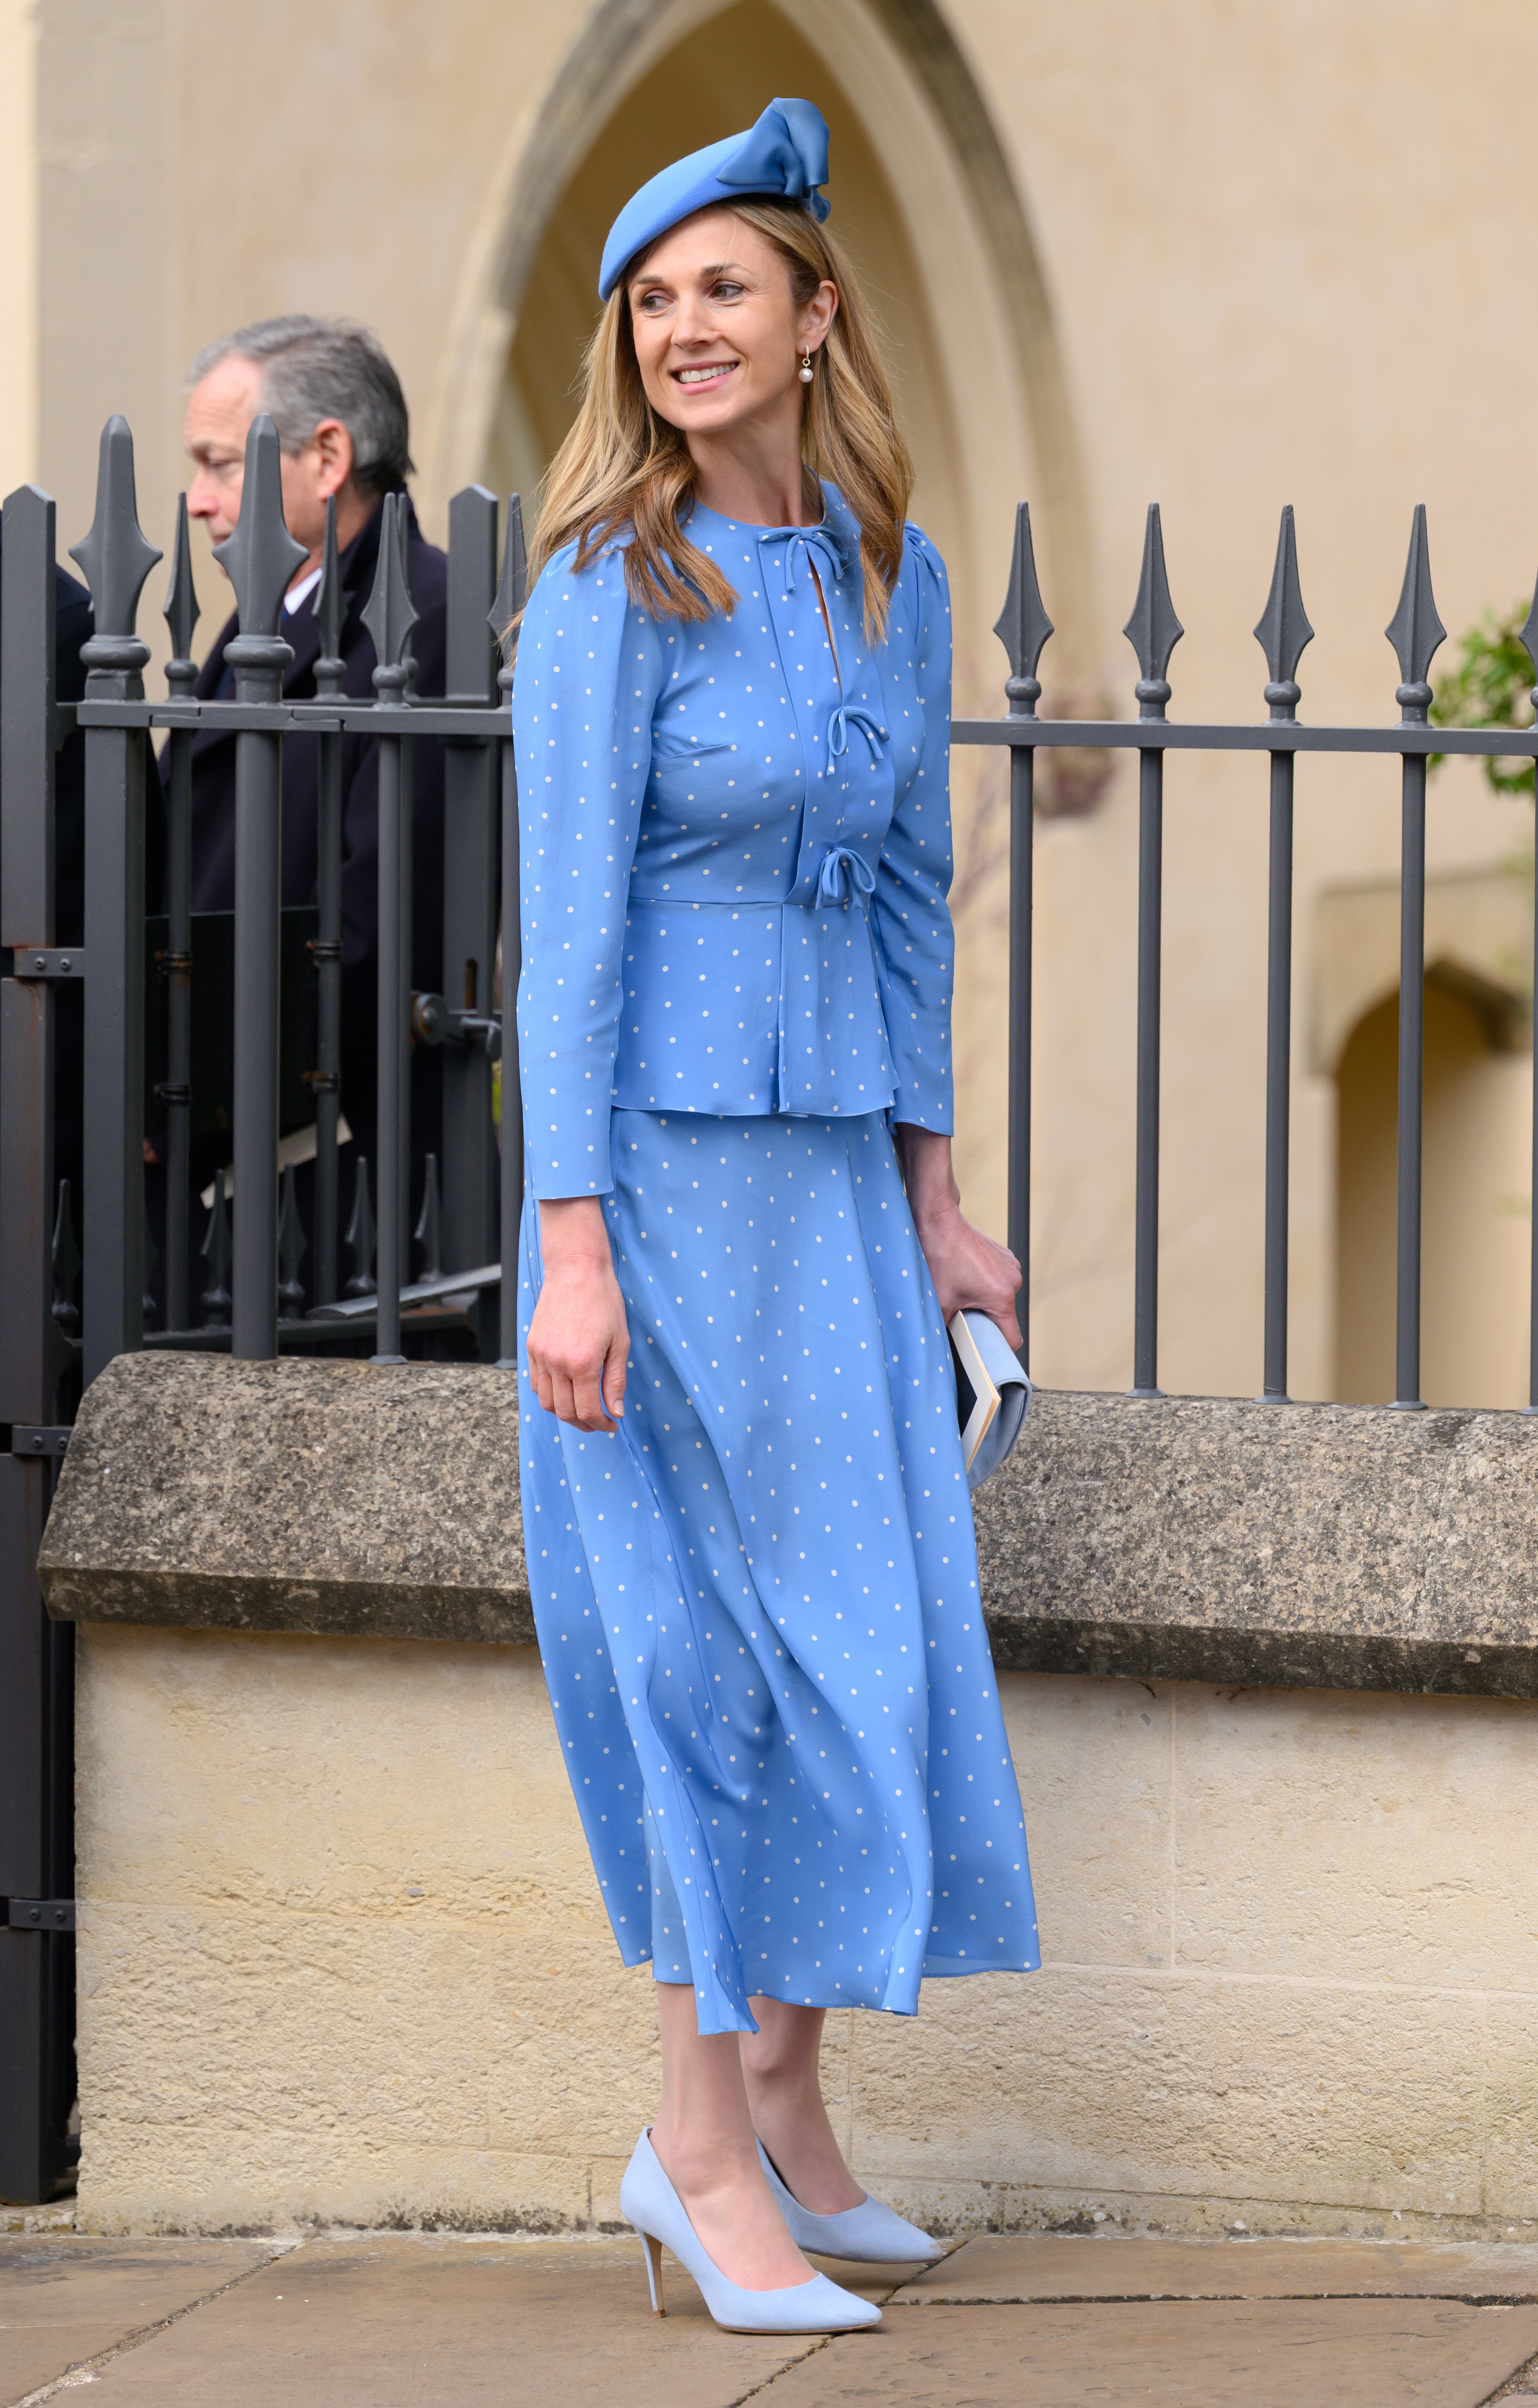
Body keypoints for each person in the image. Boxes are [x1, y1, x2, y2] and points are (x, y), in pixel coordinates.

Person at [513, 99, 1039, 2337]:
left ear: (819, 318)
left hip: (829, 1175)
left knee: (873, 1631)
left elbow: (914, 893)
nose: (684, 330)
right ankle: (695, 2147)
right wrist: (566, 1240)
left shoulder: (885, 575)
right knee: (699, 1651)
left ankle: (800, 2121)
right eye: (651, 302)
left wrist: (939, 1197)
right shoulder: (603, 588)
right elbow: (567, 937)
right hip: (650, 1187)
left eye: (724, 286)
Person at [180, 315, 447, 1172]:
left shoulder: (425, 623)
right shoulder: (263, 610)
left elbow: (379, 930)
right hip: (218, 1147)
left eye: (223, 463)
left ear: (329, 459)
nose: (199, 498)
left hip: (329, 1167)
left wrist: (191, 1099)